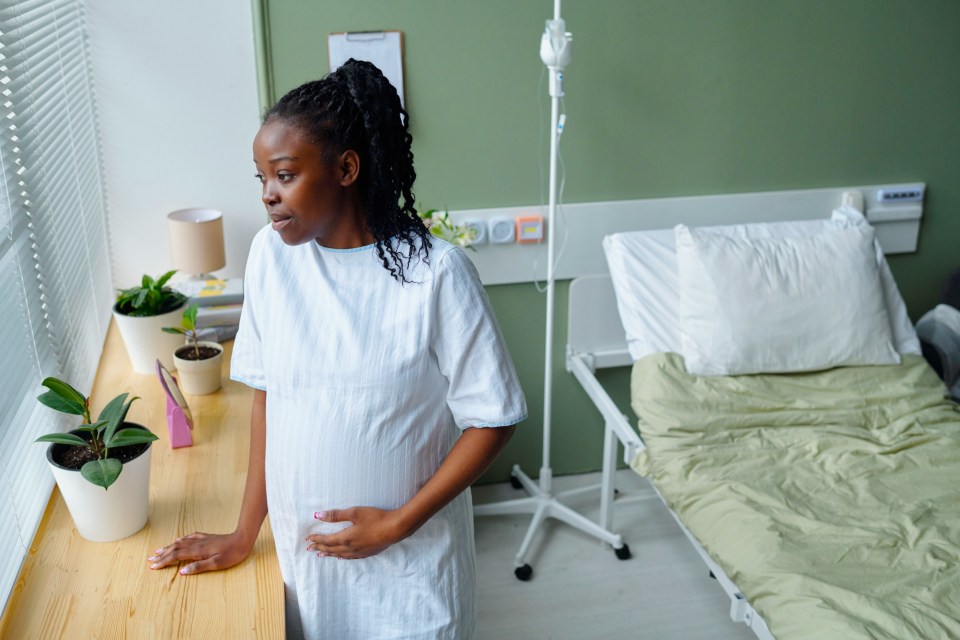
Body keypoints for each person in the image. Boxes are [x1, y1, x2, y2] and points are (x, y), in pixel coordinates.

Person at [147, 59, 527, 640]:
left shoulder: (437, 274)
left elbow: (493, 420)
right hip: (312, 570)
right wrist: (245, 532)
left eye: (284, 174)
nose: (270, 196)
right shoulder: (272, 258)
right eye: (262, 180)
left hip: (412, 572)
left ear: (345, 168)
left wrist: (396, 525)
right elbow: (267, 401)